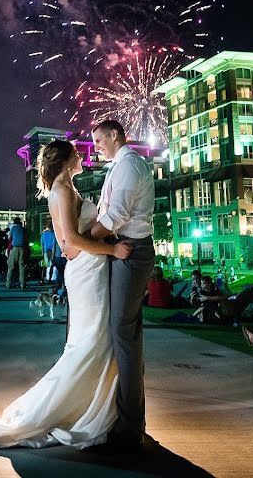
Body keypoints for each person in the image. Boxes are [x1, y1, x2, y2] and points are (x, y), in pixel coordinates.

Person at [0, 139, 132, 450]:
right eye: (77, 154)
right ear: (66, 160)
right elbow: (69, 244)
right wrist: (112, 250)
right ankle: (56, 412)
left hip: (91, 270)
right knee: (89, 343)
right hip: (86, 272)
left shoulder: (67, 189)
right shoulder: (62, 192)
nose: (82, 157)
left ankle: (86, 408)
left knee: (95, 340)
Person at [88, 119, 156, 452]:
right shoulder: (123, 165)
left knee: (122, 334)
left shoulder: (130, 165)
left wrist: (85, 240)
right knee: (127, 333)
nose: (96, 146)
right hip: (125, 250)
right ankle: (132, 418)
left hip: (132, 250)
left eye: (99, 140)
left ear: (115, 135)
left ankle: (130, 427)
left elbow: (116, 214)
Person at [6, 217, 28, 289]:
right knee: (22, 267)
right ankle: (22, 284)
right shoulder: (24, 229)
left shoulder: (13, 228)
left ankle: (8, 284)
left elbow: (10, 238)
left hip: (15, 248)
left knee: (11, 267)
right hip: (23, 248)